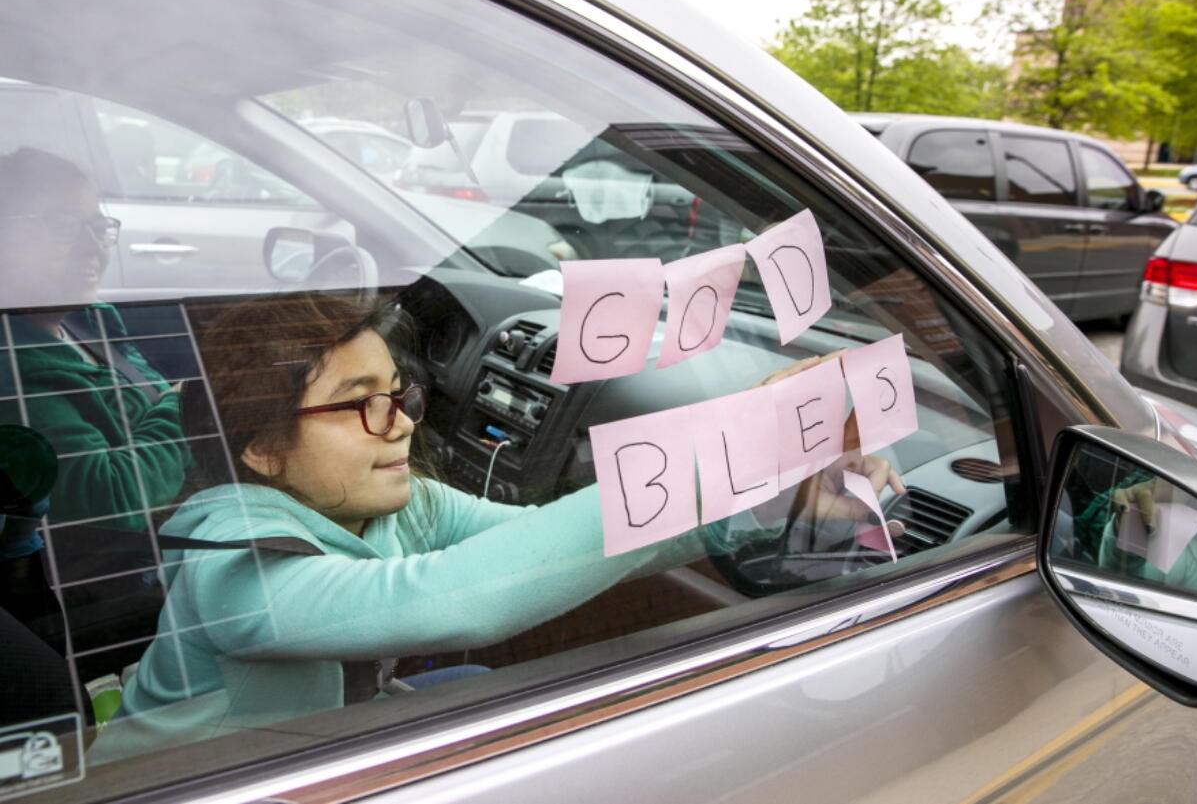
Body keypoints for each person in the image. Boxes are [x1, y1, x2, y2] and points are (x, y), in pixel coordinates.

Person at [90, 292, 903, 761]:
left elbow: (541, 540)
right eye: (359, 403)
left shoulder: (397, 501)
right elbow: (456, 598)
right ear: (265, 446)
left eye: (400, 393)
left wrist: (773, 496)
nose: (401, 422)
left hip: (317, 746)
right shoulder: (236, 565)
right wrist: (735, 441)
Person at [0, 148, 188, 654]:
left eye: (98, 226)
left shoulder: (88, 320)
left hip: (174, 554)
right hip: (111, 601)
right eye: (62, 227)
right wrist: (178, 409)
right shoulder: (9, 366)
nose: (91, 247)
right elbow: (114, 496)